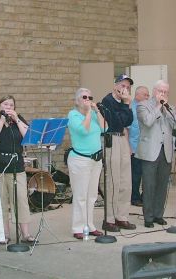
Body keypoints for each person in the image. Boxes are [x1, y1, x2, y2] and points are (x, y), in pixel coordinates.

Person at [0, 95, 35, 244]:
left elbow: (29, 138)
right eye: (5, 104)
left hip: (16, 166)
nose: (8, 107)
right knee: (0, 201)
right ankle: (4, 234)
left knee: (20, 199)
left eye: (11, 105)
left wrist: (17, 120)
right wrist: (2, 120)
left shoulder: (18, 119)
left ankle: (25, 234)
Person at [136, 80, 176, 228]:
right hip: (150, 151)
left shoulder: (170, 107)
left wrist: (167, 110)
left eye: (166, 92)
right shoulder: (143, 105)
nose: (163, 94)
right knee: (149, 185)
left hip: (166, 151)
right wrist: (158, 106)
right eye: (161, 91)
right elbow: (148, 122)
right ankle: (148, 217)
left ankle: (158, 214)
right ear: (155, 91)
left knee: (163, 185)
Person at [67, 88, 106, 240]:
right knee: (80, 195)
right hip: (80, 160)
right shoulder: (73, 115)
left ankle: (90, 225)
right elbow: (83, 130)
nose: (88, 99)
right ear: (77, 100)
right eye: (84, 97)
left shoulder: (94, 115)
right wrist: (89, 112)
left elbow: (105, 128)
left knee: (92, 195)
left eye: (90, 97)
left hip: (95, 160)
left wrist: (97, 112)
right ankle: (78, 227)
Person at [100, 74, 136, 232]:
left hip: (122, 139)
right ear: (115, 85)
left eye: (128, 87)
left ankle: (122, 216)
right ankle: (109, 218)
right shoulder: (108, 101)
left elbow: (128, 121)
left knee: (125, 181)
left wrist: (126, 104)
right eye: (122, 85)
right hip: (112, 140)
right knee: (113, 182)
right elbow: (116, 122)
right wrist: (126, 104)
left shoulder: (123, 103)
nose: (125, 89)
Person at [128, 86, 149, 207]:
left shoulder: (148, 107)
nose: (147, 97)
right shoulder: (130, 107)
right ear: (137, 95)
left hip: (147, 146)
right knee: (135, 174)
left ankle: (144, 196)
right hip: (134, 146)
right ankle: (134, 197)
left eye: (148, 95)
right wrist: (128, 147)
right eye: (145, 95)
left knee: (146, 173)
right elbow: (127, 128)